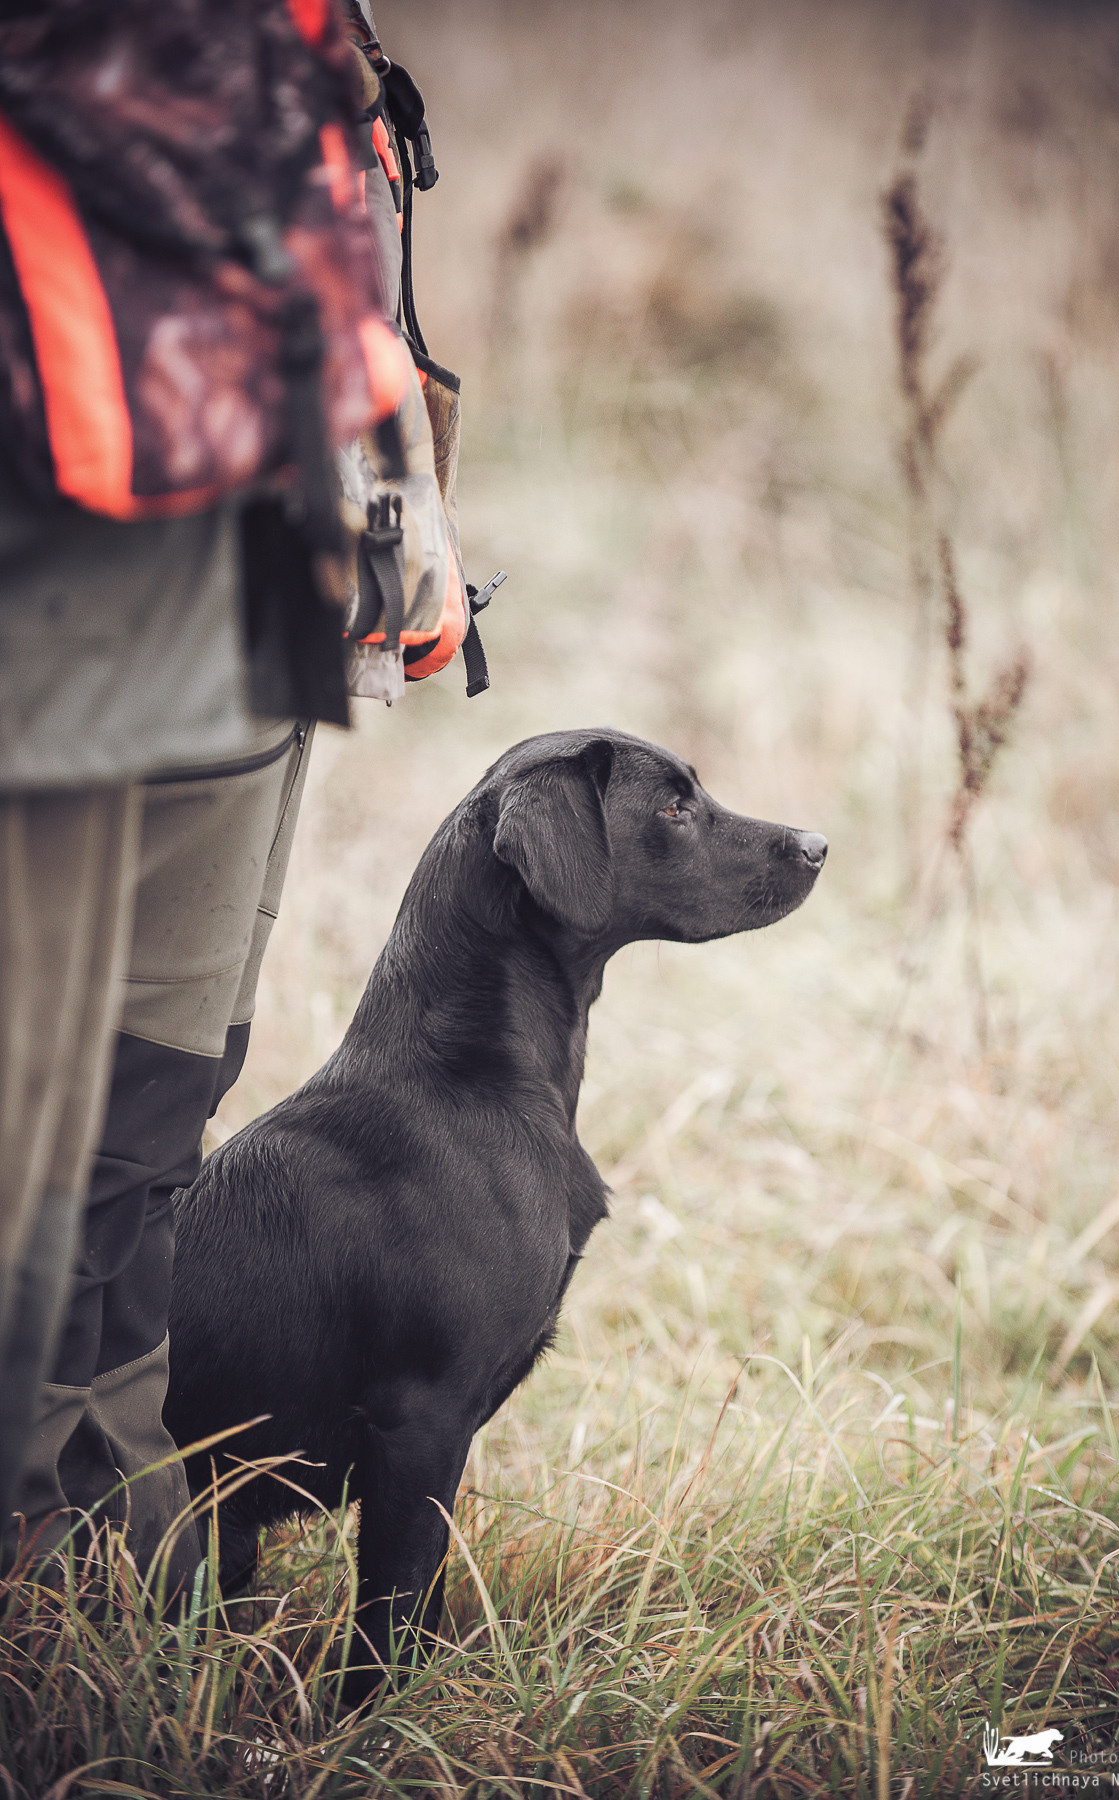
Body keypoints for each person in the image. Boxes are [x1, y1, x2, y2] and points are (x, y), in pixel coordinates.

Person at [0, 0, 455, 1590]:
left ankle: (107, 1554)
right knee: (29, 1125)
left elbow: (308, 144)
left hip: (258, 523)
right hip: (61, 530)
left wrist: (390, 488)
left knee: (158, 1093)